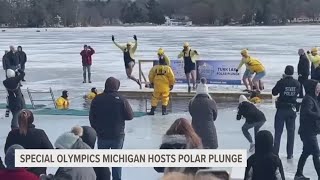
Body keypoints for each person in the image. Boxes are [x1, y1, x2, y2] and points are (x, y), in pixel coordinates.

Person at [89, 77, 134, 180]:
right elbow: (130, 116)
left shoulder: (97, 99)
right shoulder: (121, 99)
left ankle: (102, 178)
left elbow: (92, 117)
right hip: (117, 135)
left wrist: (96, 129)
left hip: (102, 135)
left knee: (102, 162)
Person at [4, 110, 53, 176]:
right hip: (37, 172)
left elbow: (7, 152)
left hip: (15, 172)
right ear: (32, 120)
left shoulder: (12, 134)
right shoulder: (39, 133)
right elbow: (50, 152)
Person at [272, 65, 300, 159]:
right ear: (293, 73)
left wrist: (281, 82)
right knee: (291, 133)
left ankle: (275, 153)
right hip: (292, 110)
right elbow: (298, 94)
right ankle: (290, 154)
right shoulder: (297, 83)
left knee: (278, 133)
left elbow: (274, 92)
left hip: (281, 110)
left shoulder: (281, 82)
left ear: (285, 72)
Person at [294, 79, 320, 180]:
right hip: (307, 132)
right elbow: (307, 113)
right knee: (316, 153)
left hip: (309, 131)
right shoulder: (308, 99)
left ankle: (298, 174)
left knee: (306, 152)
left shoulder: (313, 98)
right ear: (312, 88)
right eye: (317, 88)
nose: (318, 90)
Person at [189, 77, 218, 149]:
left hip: (195, 133)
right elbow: (214, 117)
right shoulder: (212, 102)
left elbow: (191, 113)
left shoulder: (192, 102)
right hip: (210, 134)